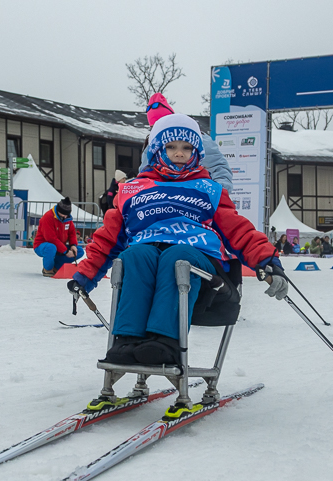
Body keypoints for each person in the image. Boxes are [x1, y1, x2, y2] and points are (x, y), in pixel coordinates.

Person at [69, 114, 283, 403]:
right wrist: (84, 276)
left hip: (199, 266)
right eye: (171, 147)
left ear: (196, 153)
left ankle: (165, 342)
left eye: (186, 148)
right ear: (157, 150)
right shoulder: (132, 190)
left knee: (177, 256)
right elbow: (107, 238)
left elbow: (238, 229)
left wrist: (267, 262)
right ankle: (127, 340)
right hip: (149, 255)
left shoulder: (208, 189)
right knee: (136, 254)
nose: (179, 153)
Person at [139, 93, 233, 191]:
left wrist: (215, 195)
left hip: (195, 198)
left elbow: (218, 168)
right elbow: (144, 174)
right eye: (154, 128)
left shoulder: (198, 140)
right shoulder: (151, 145)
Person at [34, 197, 84, 276]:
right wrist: (66, 251)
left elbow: (71, 233)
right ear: (58, 211)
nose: (65, 216)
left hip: (59, 246)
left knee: (79, 251)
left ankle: (56, 266)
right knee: (51, 247)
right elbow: (51, 238)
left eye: (67, 214)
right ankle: (48, 269)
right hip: (43, 245)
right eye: (63, 214)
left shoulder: (68, 219)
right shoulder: (47, 217)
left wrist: (73, 245)